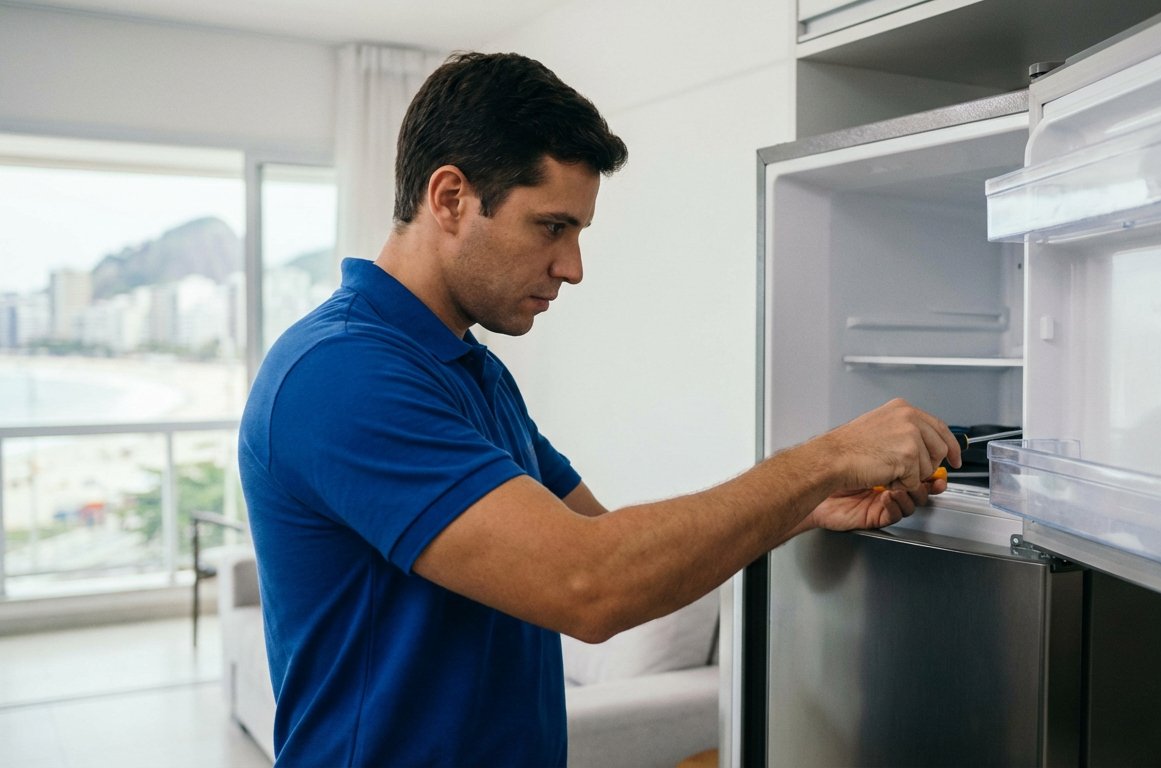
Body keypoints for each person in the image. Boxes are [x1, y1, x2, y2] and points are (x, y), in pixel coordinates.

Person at [238, 51, 962, 767]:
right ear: (451, 198)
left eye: (578, 233)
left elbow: (606, 545)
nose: (572, 267)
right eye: (552, 227)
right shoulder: (340, 374)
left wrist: (806, 506)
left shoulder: (471, 371)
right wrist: (822, 458)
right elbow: (592, 585)